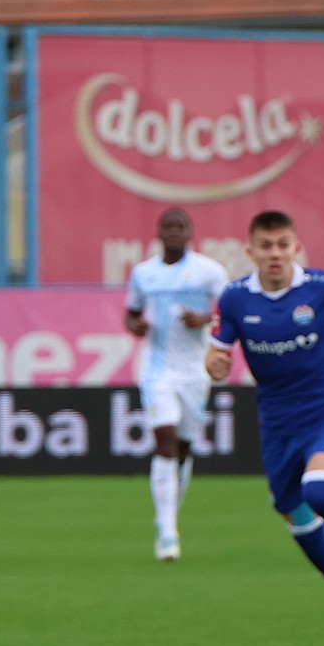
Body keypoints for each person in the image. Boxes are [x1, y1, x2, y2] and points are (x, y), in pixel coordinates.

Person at [206, 210, 324, 636]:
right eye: (266, 246)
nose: (275, 254)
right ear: (250, 251)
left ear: (296, 248)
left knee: (320, 490)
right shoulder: (234, 298)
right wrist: (214, 364)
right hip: (276, 423)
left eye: (283, 245)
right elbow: (216, 353)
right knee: (297, 518)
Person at [123, 208, 229, 562]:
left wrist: (206, 319)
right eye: (167, 227)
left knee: (183, 448)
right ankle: (167, 531)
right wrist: (135, 326)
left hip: (196, 370)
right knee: (165, 442)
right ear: (158, 233)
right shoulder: (143, 274)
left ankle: (168, 514)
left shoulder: (209, 272)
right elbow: (131, 314)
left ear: (190, 233)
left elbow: (231, 311)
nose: (173, 232)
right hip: (157, 369)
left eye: (179, 227)